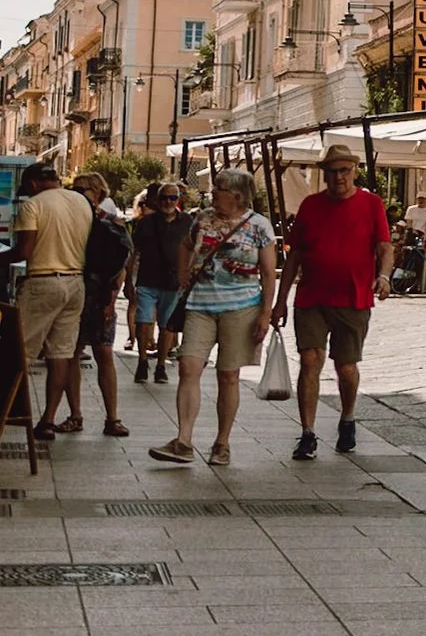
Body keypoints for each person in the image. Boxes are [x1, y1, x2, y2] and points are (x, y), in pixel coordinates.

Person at [272, 144, 391, 459]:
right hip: (311, 297)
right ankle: (308, 433)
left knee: (346, 366)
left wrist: (385, 276)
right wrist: (280, 300)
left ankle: (348, 417)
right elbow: (294, 255)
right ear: (324, 174)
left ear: (354, 170)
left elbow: (384, 247)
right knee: (310, 361)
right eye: (332, 171)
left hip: (353, 298)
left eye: (344, 170)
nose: (338, 177)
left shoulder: (371, 204)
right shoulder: (311, 206)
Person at [151, 168, 275, 467]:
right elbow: (185, 245)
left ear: (237, 195)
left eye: (218, 188)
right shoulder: (203, 218)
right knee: (188, 367)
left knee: (228, 376)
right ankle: (183, 440)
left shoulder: (259, 225)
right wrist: (182, 274)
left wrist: (266, 313)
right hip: (200, 304)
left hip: (241, 307)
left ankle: (222, 443)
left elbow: (270, 272)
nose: (212, 193)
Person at [12, 162, 92, 442]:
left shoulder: (33, 206)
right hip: (74, 283)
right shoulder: (81, 201)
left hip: (42, 282)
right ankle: (48, 419)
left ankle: (4, 412)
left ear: (33, 184)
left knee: (20, 349)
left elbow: (24, 252)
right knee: (61, 354)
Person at [65, 172, 134, 437]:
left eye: (85, 189)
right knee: (71, 352)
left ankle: (112, 417)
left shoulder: (110, 224)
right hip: (76, 291)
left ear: (98, 192)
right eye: (76, 188)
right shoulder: (73, 221)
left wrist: (112, 298)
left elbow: (121, 264)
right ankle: (75, 414)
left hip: (99, 295)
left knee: (104, 353)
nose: (79, 193)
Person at [129, 182, 191, 382]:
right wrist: (129, 281)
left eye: (173, 198)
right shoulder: (145, 223)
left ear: (178, 199)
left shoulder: (187, 222)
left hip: (173, 281)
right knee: (143, 321)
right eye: (164, 198)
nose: (168, 202)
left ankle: (161, 365)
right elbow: (134, 252)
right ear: (157, 200)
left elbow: (193, 251)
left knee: (167, 325)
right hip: (148, 279)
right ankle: (142, 360)